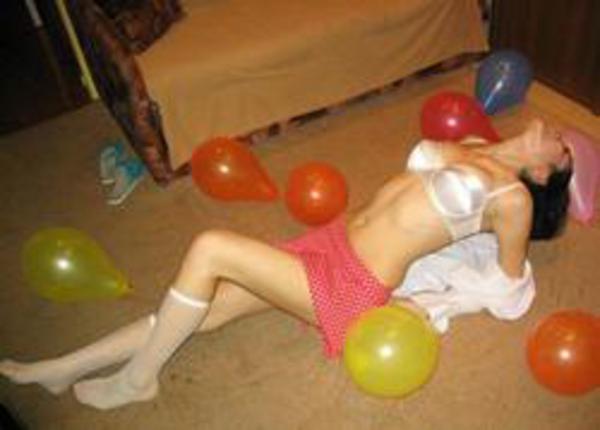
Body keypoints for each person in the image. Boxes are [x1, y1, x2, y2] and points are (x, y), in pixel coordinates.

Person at [0, 119, 572, 410]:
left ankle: (136, 381)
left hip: (352, 285)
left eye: (564, 148)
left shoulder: (513, 201)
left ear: (545, 173)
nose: (557, 134)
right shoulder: (473, 143)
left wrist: (431, 303)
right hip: (329, 242)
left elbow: (507, 286)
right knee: (205, 309)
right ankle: (62, 367)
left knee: (211, 247)